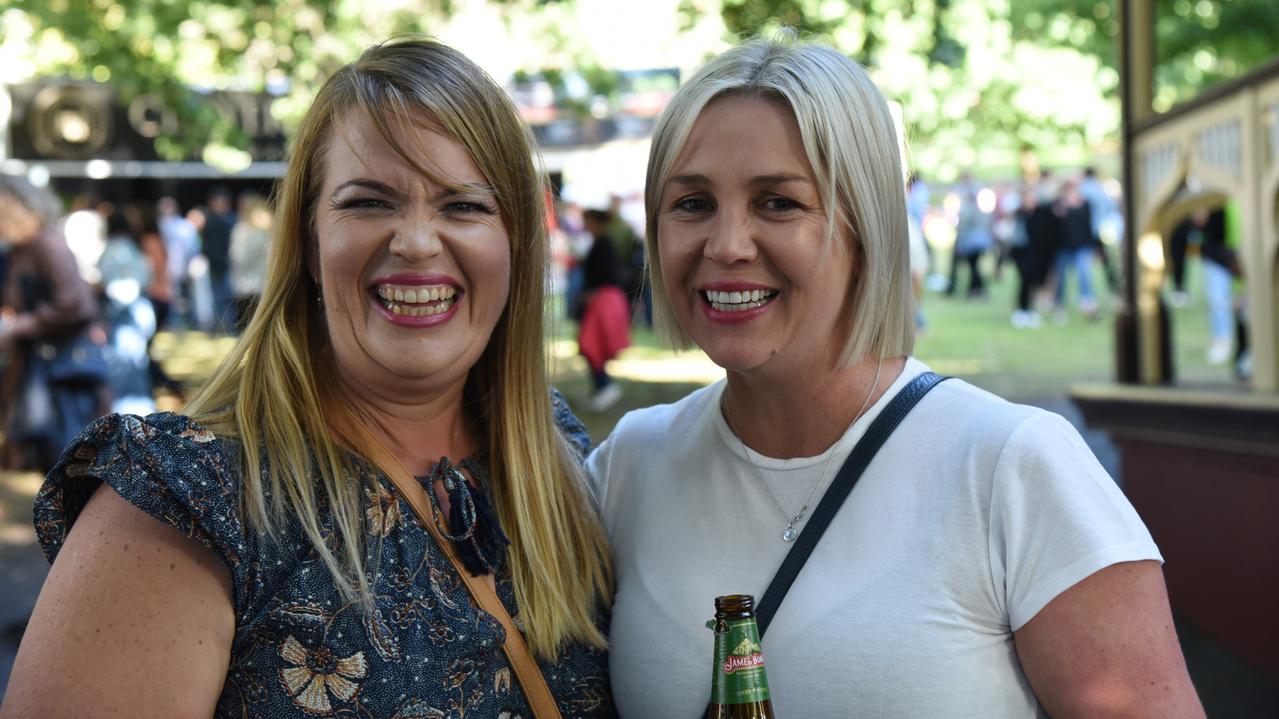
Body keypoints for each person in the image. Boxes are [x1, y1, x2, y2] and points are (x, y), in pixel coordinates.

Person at [586, 37, 1204, 717]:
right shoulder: (626, 468)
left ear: (865, 229)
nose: (727, 243)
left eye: (778, 203)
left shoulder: (1010, 466)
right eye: (692, 203)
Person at [4, 38, 614, 717]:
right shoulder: (185, 497)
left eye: (464, 205)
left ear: (515, 242)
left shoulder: (554, 454)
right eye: (368, 202)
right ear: (310, 240)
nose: (415, 241)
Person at [0, 175, 107, 472]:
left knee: (67, 449)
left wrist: (20, 326)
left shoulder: (47, 245)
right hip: (45, 362)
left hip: (64, 365)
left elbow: (72, 303)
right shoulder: (24, 248)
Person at [577, 209, 631, 411]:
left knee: (591, 344)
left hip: (603, 300)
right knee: (592, 345)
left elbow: (605, 274)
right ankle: (601, 386)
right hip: (603, 299)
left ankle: (604, 386)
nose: (585, 224)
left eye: (587, 220)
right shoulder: (601, 243)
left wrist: (592, 291)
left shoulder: (603, 244)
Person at [228, 193, 273, 331]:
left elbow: (238, 257)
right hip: (262, 286)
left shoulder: (242, 230)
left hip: (246, 286)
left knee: (246, 329)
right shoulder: (268, 231)